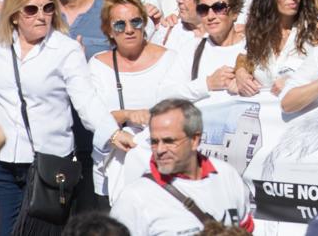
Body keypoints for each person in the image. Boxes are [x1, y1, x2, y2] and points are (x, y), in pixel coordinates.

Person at [0, 0, 132, 236]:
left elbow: (86, 101)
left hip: (50, 165)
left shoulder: (66, 50)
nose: (42, 16)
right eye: (31, 10)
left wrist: (112, 133)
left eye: (48, 8)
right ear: (13, 16)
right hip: (2, 163)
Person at [87, 0, 184, 200]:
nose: (129, 30)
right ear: (109, 31)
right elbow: (92, 115)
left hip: (162, 169)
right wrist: (127, 115)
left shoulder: (170, 59)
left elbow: (182, 109)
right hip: (113, 167)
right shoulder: (97, 64)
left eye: (136, 22)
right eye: (120, 25)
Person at [108, 98, 253, 235]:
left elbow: (246, 229)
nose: (159, 150)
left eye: (169, 141)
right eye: (154, 141)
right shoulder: (134, 198)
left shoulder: (227, 175)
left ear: (195, 140)